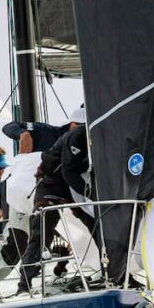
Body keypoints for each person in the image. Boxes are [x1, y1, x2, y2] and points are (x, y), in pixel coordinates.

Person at [16, 123, 99, 294]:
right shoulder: (77, 136)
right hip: (50, 185)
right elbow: (69, 171)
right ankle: (24, 284)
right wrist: (92, 194)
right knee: (42, 231)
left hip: (72, 186)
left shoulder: (101, 134)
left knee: (96, 224)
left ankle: (113, 270)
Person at [2, 106, 85, 154]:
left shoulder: (85, 146)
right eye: (78, 124)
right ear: (70, 123)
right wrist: (23, 134)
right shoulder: (46, 131)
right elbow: (9, 126)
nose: (80, 129)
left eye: (83, 126)